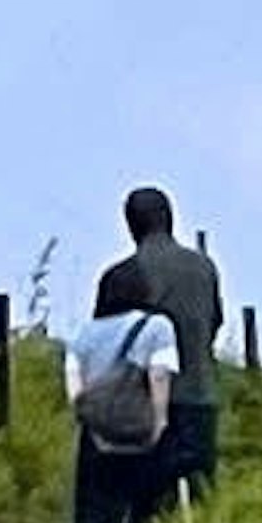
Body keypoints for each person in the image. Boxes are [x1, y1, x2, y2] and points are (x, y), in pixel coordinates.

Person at [94, 186, 224, 506]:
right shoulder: (204, 269)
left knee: (147, 510)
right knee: (198, 508)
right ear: (170, 219)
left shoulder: (121, 276)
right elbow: (214, 323)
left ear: (130, 225)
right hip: (200, 403)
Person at [65, 277, 182, 523]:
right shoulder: (157, 326)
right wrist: (159, 423)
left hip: (97, 441)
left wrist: (95, 427)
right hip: (143, 437)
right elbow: (159, 375)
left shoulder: (82, 334)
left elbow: (74, 392)